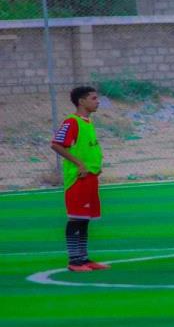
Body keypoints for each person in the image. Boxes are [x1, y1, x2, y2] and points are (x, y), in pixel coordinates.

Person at [51, 86, 109, 272]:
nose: (97, 101)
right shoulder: (72, 122)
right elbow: (56, 144)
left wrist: (95, 165)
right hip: (78, 179)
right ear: (81, 101)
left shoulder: (88, 122)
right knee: (76, 218)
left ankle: (83, 258)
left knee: (84, 219)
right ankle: (74, 261)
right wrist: (80, 164)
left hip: (90, 178)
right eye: (93, 98)